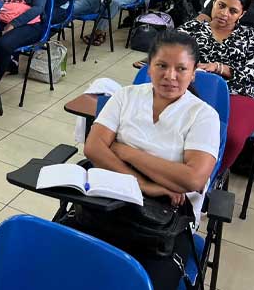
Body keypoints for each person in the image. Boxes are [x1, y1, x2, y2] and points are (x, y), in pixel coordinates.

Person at [75, 30, 219, 290]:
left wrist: (126, 151)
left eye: (181, 69)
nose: (170, 76)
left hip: (165, 221)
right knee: (57, 262)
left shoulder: (203, 115)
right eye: (161, 65)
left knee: (140, 284)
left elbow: (193, 178)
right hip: (109, 198)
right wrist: (143, 183)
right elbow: (94, 148)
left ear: (193, 72)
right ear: (149, 66)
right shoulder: (126, 96)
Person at [180, 0, 254, 169]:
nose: (224, 13)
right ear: (213, 3)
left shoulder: (252, 36)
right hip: (192, 90)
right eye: (221, 5)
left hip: (236, 93)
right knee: (178, 129)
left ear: (241, 15)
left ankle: (214, 175)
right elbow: (170, 55)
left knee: (231, 136)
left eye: (233, 11)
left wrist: (221, 68)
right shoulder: (191, 29)